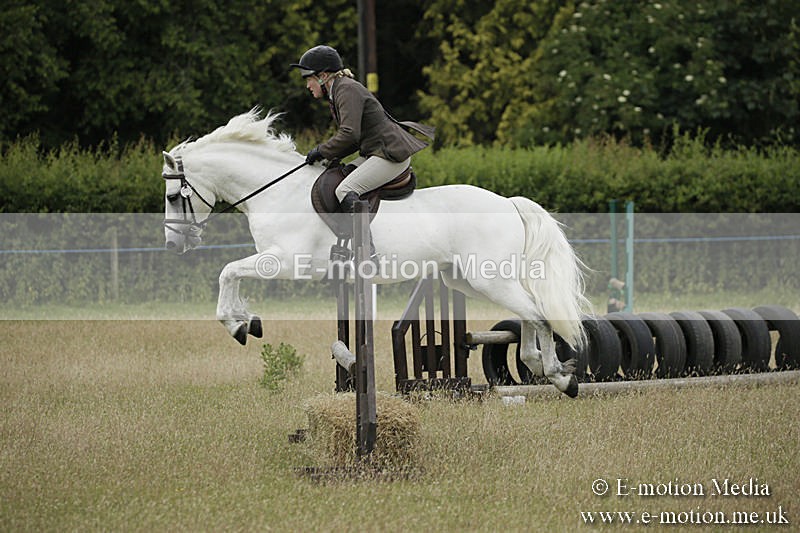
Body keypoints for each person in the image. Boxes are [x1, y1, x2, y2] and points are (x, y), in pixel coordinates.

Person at [291, 45, 434, 213]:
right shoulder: (338, 91)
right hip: (377, 153)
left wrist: (321, 151)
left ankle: (365, 240)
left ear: (322, 76)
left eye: (309, 79)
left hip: (389, 155)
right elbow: (355, 138)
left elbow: (350, 134)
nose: (308, 85)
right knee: (341, 176)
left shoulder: (346, 89)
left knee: (344, 190)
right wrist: (328, 157)